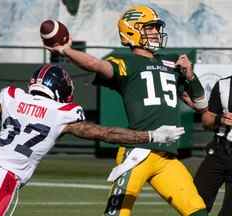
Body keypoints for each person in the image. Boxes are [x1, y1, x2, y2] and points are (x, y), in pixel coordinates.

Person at [0, 45, 184, 216]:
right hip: (2, 178)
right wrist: (150, 136)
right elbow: (105, 133)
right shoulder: (62, 112)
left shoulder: (15, 97)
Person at [45, 5, 209, 216]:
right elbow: (95, 64)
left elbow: (201, 106)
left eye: (156, 28)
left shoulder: (171, 63)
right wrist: (65, 50)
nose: (156, 33)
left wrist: (190, 76)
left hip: (167, 157)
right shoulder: (126, 62)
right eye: (150, 28)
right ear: (132, 31)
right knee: (117, 213)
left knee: (197, 211)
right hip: (138, 152)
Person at [194, 76, 232, 216]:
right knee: (195, 203)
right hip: (220, 149)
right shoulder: (223, 85)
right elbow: (206, 119)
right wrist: (220, 119)